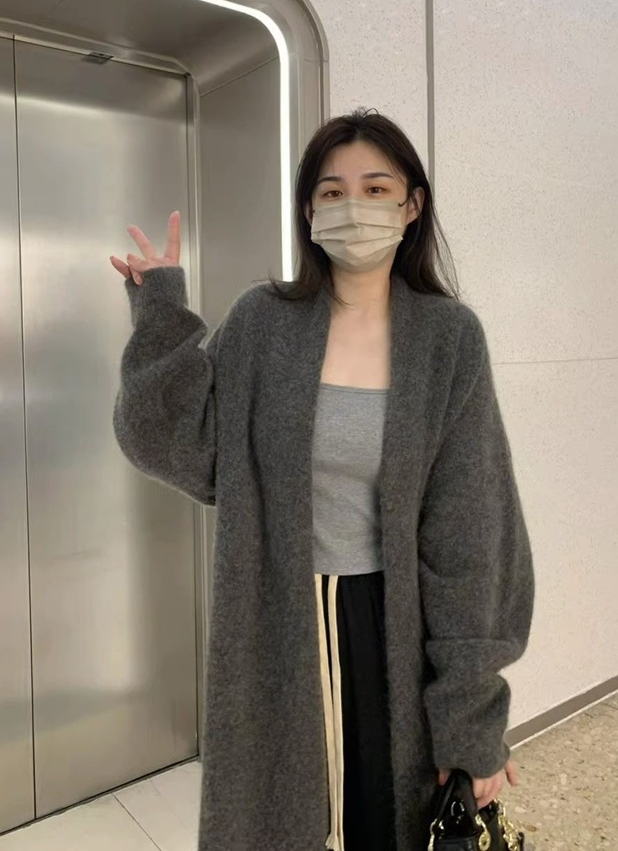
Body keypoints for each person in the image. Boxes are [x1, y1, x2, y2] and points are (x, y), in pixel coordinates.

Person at [110, 109, 534, 851]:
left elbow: (472, 537)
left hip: (391, 626)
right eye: (332, 192)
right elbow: (179, 447)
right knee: (281, 822)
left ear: (411, 206)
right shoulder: (263, 321)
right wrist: (160, 312)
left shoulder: (447, 339)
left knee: (383, 820)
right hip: (274, 619)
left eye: (375, 188)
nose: (353, 207)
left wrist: (471, 721)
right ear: (308, 211)